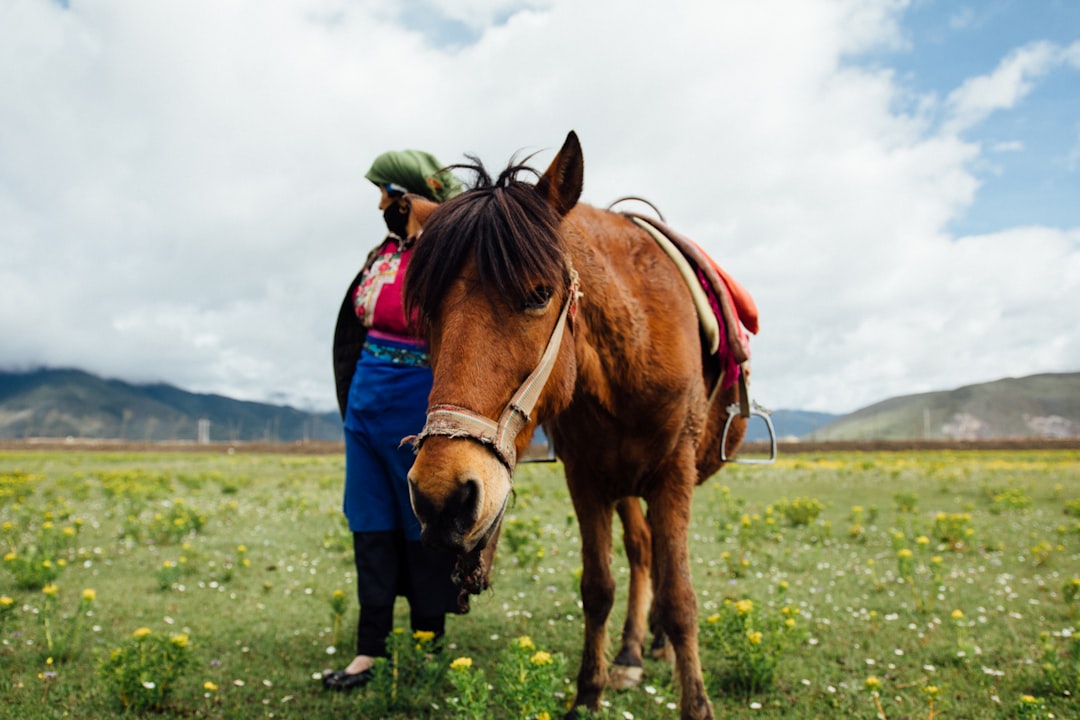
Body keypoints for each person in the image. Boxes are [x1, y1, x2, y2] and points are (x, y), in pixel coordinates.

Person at [324, 150, 464, 691]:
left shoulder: (449, 258)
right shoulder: (380, 253)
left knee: (422, 523)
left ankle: (428, 641)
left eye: (385, 193)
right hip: (365, 405)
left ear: (405, 198)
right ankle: (370, 648)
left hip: (416, 405)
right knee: (370, 522)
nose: (379, 203)